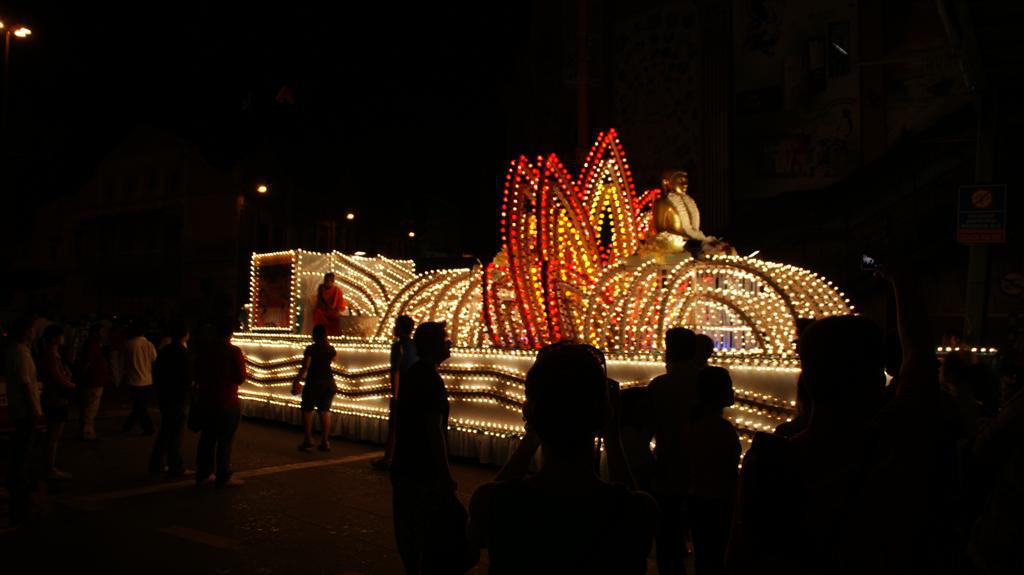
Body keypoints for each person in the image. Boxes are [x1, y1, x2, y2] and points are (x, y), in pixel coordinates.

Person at [468, 342, 658, 574]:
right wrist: (612, 437)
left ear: (530, 412)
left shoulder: (493, 501)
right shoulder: (636, 509)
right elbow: (637, 536)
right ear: (606, 413)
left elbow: (472, 545)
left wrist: (531, 437)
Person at [389, 321, 463, 573]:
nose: (449, 343)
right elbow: (434, 431)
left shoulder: (416, 373)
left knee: (411, 532)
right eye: (444, 339)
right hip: (421, 470)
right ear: (432, 346)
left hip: (407, 466)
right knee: (425, 533)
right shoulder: (430, 380)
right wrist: (445, 475)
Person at [647, 327, 699, 574]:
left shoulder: (660, 385)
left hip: (668, 466)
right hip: (702, 467)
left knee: (667, 538)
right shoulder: (704, 381)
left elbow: (648, 426)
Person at [687, 366, 740, 575]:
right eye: (729, 386)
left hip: (699, 499)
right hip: (719, 502)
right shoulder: (721, 429)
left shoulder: (694, 424)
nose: (733, 391)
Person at [193, 317, 247, 488]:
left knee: (207, 438)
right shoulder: (233, 351)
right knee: (224, 441)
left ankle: (203, 474)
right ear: (230, 333)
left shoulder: (205, 350)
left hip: (207, 400)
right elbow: (240, 377)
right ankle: (222, 475)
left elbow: (195, 372)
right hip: (227, 401)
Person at [5, 316, 44, 526]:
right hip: (24, 410)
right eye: (33, 329)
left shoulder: (15, 350)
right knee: (24, 448)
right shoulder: (21, 352)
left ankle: (17, 481)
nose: (35, 332)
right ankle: (20, 486)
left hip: (19, 408)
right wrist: (36, 410)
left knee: (20, 446)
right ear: (27, 331)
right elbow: (25, 383)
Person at [374, 315, 418, 470]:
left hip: (403, 390)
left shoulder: (397, 346)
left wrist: (395, 394)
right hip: (414, 390)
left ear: (399, 329)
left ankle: (388, 458)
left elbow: (396, 371)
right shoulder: (416, 346)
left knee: (394, 426)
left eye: (396, 325)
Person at [149, 320, 191, 476]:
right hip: (178, 397)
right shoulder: (183, 353)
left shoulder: (164, 351)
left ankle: (157, 463)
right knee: (175, 434)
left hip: (165, 395)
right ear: (185, 335)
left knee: (165, 431)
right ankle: (175, 466)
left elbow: (157, 373)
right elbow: (187, 377)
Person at [37, 324, 76, 480]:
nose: (63, 337)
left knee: (53, 436)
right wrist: (72, 385)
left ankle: (48, 466)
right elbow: (57, 377)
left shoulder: (54, 354)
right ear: (54, 338)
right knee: (53, 437)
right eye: (61, 335)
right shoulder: (52, 355)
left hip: (56, 397)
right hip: (56, 398)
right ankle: (50, 469)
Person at [291, 324, 337, 452]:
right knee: (325, 411)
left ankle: (308, 440)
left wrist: (297, 380)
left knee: (307, 409)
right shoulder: (331, 349)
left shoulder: (311, 349)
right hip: (329, 383)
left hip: (313, 382)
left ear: (315, 335)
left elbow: (305, 366)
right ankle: (325, 441)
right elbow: (333, 360)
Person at [74, 323, 110, 440]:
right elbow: (86, 363)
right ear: (95, 333)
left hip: (94, 380)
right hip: (93, 381)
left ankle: (86, 430)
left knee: (89, 407)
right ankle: (87, 432)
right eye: (102, 332)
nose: (105, 334)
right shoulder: (92, 345)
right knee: (90, 408)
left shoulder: (94, 345)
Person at [121, 322, 158, 434]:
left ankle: (147, 428)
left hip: (134, 380)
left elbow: (124, 362)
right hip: (147, 380)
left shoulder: (129, 344)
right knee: (140, 406)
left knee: (139, 406)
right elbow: (154, 359)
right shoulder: (149, 344)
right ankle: (129, 426)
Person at [313, 272, 346, 337]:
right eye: (325, 280)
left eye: (328, 281)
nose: (326, 282)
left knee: (337, 317)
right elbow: (319, 302)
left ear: (332, 281)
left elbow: (340, 304)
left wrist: (334, 309)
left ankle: (334, 335)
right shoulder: (321, 288)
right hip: (323, 310)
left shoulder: (337, 290)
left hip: (333, 311)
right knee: (318, 313)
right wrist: (325, 308)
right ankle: (320, 335)